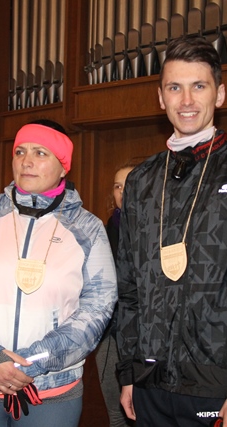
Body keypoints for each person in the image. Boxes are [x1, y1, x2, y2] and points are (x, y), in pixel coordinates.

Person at [115, 34, 227, 427]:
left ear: (219, 94)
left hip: (220, 385)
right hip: (150, 383)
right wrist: (129, 372)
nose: (187, 100)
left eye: (199, 86)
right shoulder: (141, 180)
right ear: (161, 98)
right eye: (175, 88)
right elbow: (129, 287)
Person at [0, 119, 118, 426]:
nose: (26, 161)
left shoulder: (88, 228)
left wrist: (33, 362)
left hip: (51, 390)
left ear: (63, 166)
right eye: (20, 151)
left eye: (40, 153)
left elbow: (98, 306)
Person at [95, 158, 143, 427]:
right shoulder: (102, 233)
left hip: (148, 335)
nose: (123, 192)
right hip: (111, 334)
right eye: (117, 186)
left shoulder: (164, 231)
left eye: (131, 184)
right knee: (117, 412)